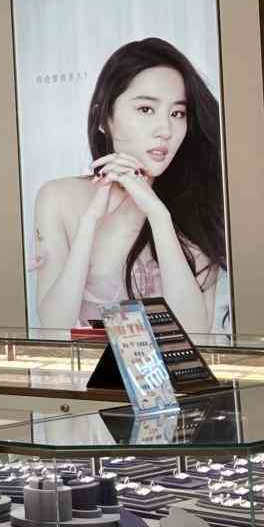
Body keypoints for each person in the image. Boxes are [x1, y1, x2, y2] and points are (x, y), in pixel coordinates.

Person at [32, 37, 229, 335]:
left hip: (172, 368)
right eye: (146, 109)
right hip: (86, 366)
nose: (165, 130)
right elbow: (54, 325)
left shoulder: (198, 204)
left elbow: (193, 333)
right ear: (103, 118)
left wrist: (158, 215)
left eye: (177, 113)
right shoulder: (57, 197)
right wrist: (89, 224)